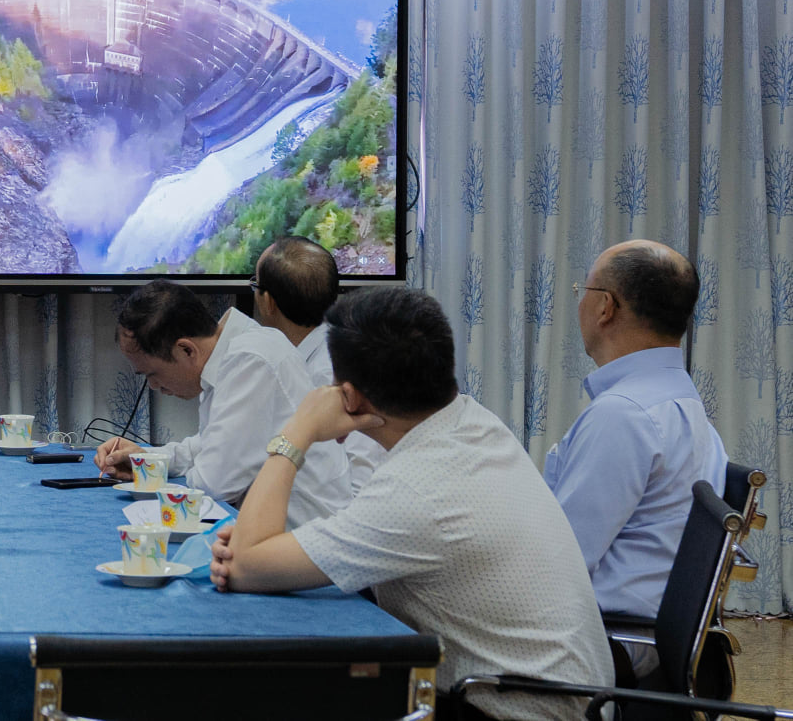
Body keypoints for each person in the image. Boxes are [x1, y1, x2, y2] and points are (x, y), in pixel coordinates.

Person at [210, 287, 613, 721]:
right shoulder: (473, 421)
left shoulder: (418, 491)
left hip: (513, 711)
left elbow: (244, 567)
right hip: (573, 700)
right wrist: (264, 545)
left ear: (349, 397)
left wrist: (298, 429)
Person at [542, 240, 726, 623]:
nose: (579, 302)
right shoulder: (682, 400)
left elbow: (559, 563)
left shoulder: (625, 414)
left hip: (604, 636)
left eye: (583, 290)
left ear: (605, 307)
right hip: (645, 628)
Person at [94, 278, 351, 527]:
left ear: (186, 350)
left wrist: (156, 474)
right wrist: (145, 459)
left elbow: (212, 484)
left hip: (305, 535)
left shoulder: (249, 360)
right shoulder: (231, 352)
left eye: (152, 374)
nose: (153, 386)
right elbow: (210, 445)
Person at [252, 237, 386, 493]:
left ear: (268, 302)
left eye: (254, 285)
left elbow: (358, 480)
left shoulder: (330, 373)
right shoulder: (317, 354)